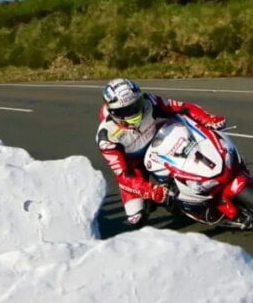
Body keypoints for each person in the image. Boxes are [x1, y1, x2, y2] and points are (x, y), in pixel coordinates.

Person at [96, 78, 226, 225]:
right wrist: (150, 191)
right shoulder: (106, 137)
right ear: (114, 112)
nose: (135, 111)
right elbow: (124, 175)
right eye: (126, 110)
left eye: (136, 104)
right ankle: (160, 201)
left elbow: (182, 107)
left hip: (161, 142)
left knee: (192, 158)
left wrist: (208, 119)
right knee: (135, 218)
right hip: (134, 165)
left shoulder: (149, 101)